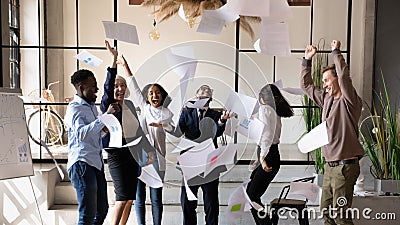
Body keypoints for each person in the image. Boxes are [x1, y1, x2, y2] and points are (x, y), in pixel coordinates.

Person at [301, 40, 364, 224]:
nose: (325, 84)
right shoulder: (326, 99)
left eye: (328, 80)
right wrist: (306, 61)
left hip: (345, 167)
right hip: (329, 166)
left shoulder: (350, 101)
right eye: (324, 81)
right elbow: (307, 86)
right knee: (326, 213)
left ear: (337, 79)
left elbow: (344, 76)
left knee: (341, 216)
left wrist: (335, 52)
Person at [100, 40, 156, 225]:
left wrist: (149, 150)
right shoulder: (109, 104)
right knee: (121, 197)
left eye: (122, 86)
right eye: (116, 86)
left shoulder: (130, 105)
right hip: (116, 154)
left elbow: (139, 131)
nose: (120, 89)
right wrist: (114, 60)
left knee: (131, 198)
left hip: (132, 153)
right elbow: (108, 87)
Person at [118, 54, 173, 225]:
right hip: (140, 156)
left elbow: (174, 129)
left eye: (157, 93)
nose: (154, 95)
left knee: (156, 198)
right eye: (151, 93)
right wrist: (126, 67)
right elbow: (133, 86)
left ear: (162, 96)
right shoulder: (144, 108)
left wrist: (163, 126)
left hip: (158, 159)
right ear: (147, 98)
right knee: (138, 196)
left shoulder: (167, 113)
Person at [65, 69, 120, 225]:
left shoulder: (90, 107)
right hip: (82, 163)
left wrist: (106, 127)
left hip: (95, 163)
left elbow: (94, 134)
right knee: (87, 214)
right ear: (82, 87)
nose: (96, 89)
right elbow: (81, 134)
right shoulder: (74, 108)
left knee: (101, 210)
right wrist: (104, 118)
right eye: (93, 86)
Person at [177, 85, 233, 225]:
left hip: (209, 163)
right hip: (190, 162)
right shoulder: (186, 113)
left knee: (211, 202)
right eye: (201, 97)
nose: (203, 99)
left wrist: (222, 121)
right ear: (196, 98)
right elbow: (178, 131)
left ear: (210, 100)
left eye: (206, 97)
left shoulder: (215, 115)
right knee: (187, 201)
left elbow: (217, 131)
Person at [246, 84, 294, 225]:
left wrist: (262, 158)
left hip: (268, 155)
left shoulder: (265, 109)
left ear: (262, 97)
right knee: (252, 194)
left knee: (252, 196)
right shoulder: (273, 110)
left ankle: (266, 223)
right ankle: (266, 221)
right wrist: (259, 159)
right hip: (271, 154)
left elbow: (267, 136)